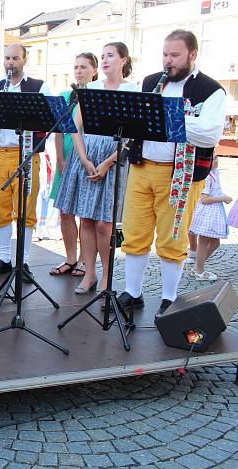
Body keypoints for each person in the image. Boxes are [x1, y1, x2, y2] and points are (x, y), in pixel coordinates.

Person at [119, 30, 227, 318]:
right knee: (134, 233)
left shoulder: (211, 90)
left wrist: (164, 117)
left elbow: (208, 134)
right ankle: (133, 292)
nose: (168, 61)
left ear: (193, 55)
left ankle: (168, 297)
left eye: (175, 55)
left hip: (180, 173)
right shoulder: (151, 82)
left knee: (172, 237)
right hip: (142, 167)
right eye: (165, 54)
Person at [55, 43, 139, 294]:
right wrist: (82, 158)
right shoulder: (90, 88)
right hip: (87, 155)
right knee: (87, 220)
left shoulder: (132, 89)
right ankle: (89, 272)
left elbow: (134, 134)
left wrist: (108, 162)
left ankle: (106, 276)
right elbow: (75, 126)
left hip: (114, 157)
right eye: (102, 56)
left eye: (110, 56)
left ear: (123, 60)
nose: (104, 60)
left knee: (105, 223)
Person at [0, 43, 52, 283]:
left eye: (15, 58)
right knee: (0, 208)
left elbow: (51, 120)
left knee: (26, 209)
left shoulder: (39, 87)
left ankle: (24, 261)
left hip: (27, 155)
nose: (10, 63)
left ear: (24, 59)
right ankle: (5, 258)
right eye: (7, 58)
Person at [48, 52, 98, 278]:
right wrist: (59, 157)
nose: (79, 71)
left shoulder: (97, 95)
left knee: (86, 214)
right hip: (66, 159)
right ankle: (70, 257)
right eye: (76, 67)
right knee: (65, 211)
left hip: (87, 158)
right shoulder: (66, 95)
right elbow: (58, 131)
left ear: (94, 70)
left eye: (84, 67)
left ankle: (85, 261)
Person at [188, 158, 231, 280]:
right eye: (213, 159)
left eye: (217, 158)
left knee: (215, 242)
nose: (216, 161)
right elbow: (204, 199)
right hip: (207, 212)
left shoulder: (214, 172)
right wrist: (223, 198)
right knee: (203, 242)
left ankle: (198, 266)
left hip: (213, 212)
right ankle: (199, 271)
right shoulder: (206, 177)